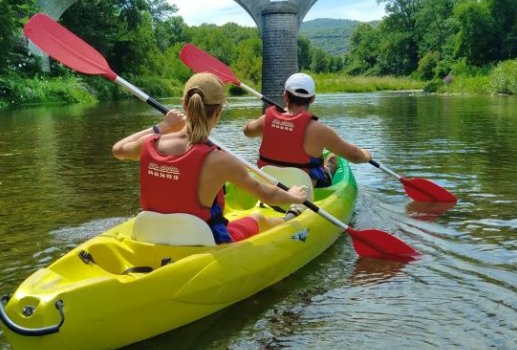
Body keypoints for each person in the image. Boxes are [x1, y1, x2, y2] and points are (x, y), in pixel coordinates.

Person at [112, 72, 307, 244]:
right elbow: (267, 195)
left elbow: (118, 150)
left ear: (184, 105)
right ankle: (290, 219)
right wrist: (294, 195)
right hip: (203, 240)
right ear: (219, 112)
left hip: (151, 234)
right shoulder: (221, 160)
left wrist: (162, 126)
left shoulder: (150, 144)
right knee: (258, 219)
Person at [243, 72, 372, 188]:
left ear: (285, 96)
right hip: (306, 191)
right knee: (333, 157)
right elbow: (355, 155)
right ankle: (329, 166)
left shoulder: (266, 120)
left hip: (269, 186)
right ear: (312, 99)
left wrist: (257, 122)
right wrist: (366, 155)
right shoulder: (320, 131)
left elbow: (247, 131)